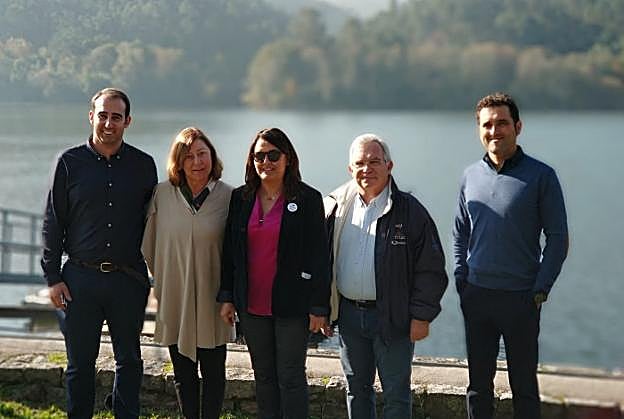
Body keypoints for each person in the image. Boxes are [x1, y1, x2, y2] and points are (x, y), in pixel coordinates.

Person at [41, 88, 157, 419]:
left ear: (127, 121)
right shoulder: (69, 162)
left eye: (116, 117)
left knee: (130, 360)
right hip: (79, 279)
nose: (108, 123)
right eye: (102, 115)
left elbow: (154, 222)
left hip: (128, 279)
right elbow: (53, 221)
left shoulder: (143, 165)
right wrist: (52, 277)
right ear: (91, 116)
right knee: (79, 364)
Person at [453, 92, 569, 419]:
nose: (494, 131)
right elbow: (460, 232)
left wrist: (540, 289)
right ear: (479, 130)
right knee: (478, 387)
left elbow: (558, 239)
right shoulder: (470, 176)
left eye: (502, 123)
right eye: (487, 125)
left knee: (524, 387)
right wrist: (462, 278)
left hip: (522, 298)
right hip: (477, 296)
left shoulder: (542, 176)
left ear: (517, 127)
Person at [324, 133, 448, 418]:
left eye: (374, 162)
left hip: (393, 317)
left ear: (389, 166)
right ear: (350, 169)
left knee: (396, 395)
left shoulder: (410, 212)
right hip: (350, 316)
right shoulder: (335, 207)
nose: (366, 169)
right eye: (360, 163)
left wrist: (422, 316)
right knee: (357, 390)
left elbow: (431, 269)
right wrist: (322, 308)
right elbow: (322, 261)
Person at [217, 127, 331, 419]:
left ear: (288, 158)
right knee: (264, 375)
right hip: (251, 305)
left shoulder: (307, 199)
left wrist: (319, 306)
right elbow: (230, 252)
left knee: (291, 376)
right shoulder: (241, 198)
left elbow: (320, 257)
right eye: (259, 156)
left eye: (273, 155)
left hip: (292, 305)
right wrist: (227, 296)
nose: (265, 162)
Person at [141, 127, 233, 419]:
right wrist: (168, 279)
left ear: (212, 156)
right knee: (183, 374)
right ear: (178, 161)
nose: (197, 162)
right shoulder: (162, 194)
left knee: (214, 374)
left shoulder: (230, 197)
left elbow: (237, 253)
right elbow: (150, 246)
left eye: (202, 154)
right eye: (189, 156)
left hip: (214, 301)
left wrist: (230, 295)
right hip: (175, 298)